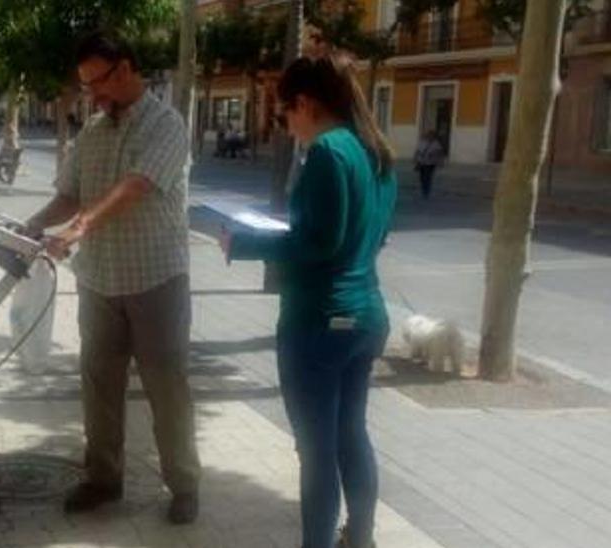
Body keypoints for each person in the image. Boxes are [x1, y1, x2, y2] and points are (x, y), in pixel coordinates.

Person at [23, 30, 200, 525]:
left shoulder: (166, 125)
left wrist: (76, 229)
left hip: (156, 279)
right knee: (99, 385)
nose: (92, 96)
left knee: (167, 388)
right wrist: (33, 225)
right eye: (85, 87)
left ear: (124, 70)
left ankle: (184, 484)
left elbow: (134, 187)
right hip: (99, 281)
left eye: (96, 83)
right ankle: (103, 478)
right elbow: (70, 193)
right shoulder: (93, 133)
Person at [222, 56, 397, 548]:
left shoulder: (327, 154)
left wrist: (244, 243)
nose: (286, 126)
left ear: (305, 103)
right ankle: (359, 538)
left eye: (284, 115)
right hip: (366, 318)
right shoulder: (377, 154)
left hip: (319, 322)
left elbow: (318, 243)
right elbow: (374, 236)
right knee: (351, 435)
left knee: (317, 452)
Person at [413, 130, 444, 199]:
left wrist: (440, 161)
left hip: (430, 163)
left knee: (428, 177)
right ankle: (424, 189)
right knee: (422, 178)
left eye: (431, 135)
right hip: (422, 162)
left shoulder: (436, 144)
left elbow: (440, 153)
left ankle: (426, 191)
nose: (430, 136)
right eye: (429, 135)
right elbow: (417, 151)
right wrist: (415, 158)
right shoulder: (422, 142)